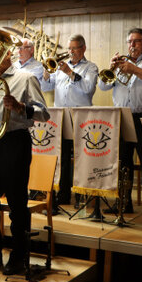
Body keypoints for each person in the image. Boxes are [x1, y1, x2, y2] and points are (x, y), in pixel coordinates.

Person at [0, 47, 49, 276]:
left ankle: (18, 255)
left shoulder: (26, 78)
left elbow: (44, 114)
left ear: (8, 56)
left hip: (15, 142)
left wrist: (20, 107)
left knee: (16, 203)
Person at [98, 28, 142, 219]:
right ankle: (123, 203)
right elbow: (102, 86)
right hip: (123, 116)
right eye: (129, 42)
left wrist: (134, 70)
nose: (132, 45)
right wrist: (112, 67)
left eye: (136, 41)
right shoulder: (122, 62)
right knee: (123, 161)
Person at [40, 34, 98, 207]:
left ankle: (82, 194)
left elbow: (88, 88)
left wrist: (70, 73)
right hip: (61, 116)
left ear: (83, 48)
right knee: (63, 156)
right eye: (69, 48)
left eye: (74, 48)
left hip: (81, 117)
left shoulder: (90, 67)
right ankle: (63, 194)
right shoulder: (59, 67)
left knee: (82, 157)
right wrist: (46, 72)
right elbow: (45, 87)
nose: (70, 52)